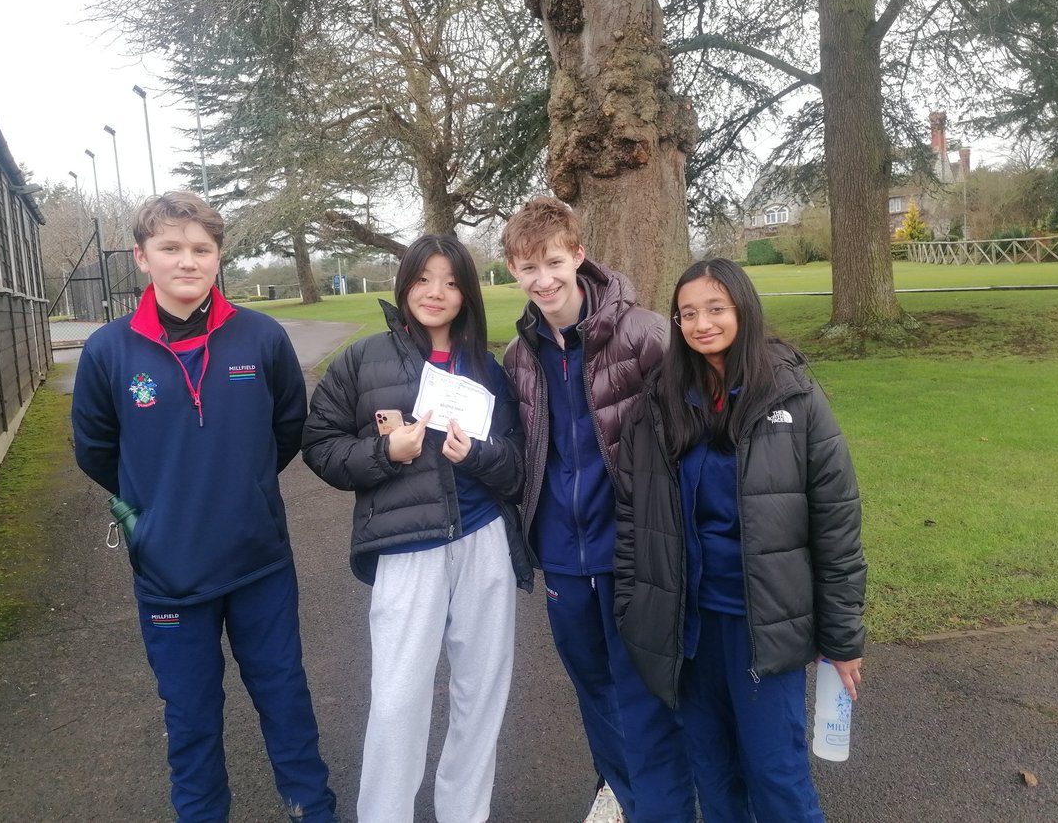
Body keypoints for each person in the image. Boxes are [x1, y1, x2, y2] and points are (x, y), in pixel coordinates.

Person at [71, 191, 337, 823]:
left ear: (218, 257)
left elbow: (287, 428)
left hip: (258, 563)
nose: (186, 261)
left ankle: (314, 809)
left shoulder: (262, 337)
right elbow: (96, 450)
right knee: (190, 719)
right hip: (169, 573)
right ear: (141, 257)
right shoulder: (109, 351)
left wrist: (237, 485)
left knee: (285, 699)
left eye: (201, 249)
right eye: (170, 248)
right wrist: (161, 508)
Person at [612, 258, 867, 823]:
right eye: (688, 314)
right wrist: (634, 609)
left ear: (743, 309)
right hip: (689, 627)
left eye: (715, 309)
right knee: (714, 771)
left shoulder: (793, 395)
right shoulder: (659, 402)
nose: (701, 323)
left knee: (776, 775)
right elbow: (633, 517)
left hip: (761, 627)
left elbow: (837, 521)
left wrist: (842, 637)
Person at [302, 234, 532, 823]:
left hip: (483, 541)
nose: (436, 292)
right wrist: (386, 450)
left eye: (452, 282)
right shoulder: (363, 359)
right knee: (399, 699)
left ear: (467, 294)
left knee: (481, 694)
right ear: (405, 283)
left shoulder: (486, 365)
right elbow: (320, 447)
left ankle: (465, 813)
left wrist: (476, 454)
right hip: (408, 549)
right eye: (425, 278)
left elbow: (516, 463)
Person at [502, 197, 694, 823]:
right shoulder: (519, 356)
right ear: (513, 271)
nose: (544, 280)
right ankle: (621, 791)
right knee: (593, 689)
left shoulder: (644, 334)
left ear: (578, 256)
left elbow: (692, 434)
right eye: (528, 268)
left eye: (553, 261)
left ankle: (660, 800)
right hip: (561, 552)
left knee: (641, 686)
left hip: (631, 548)